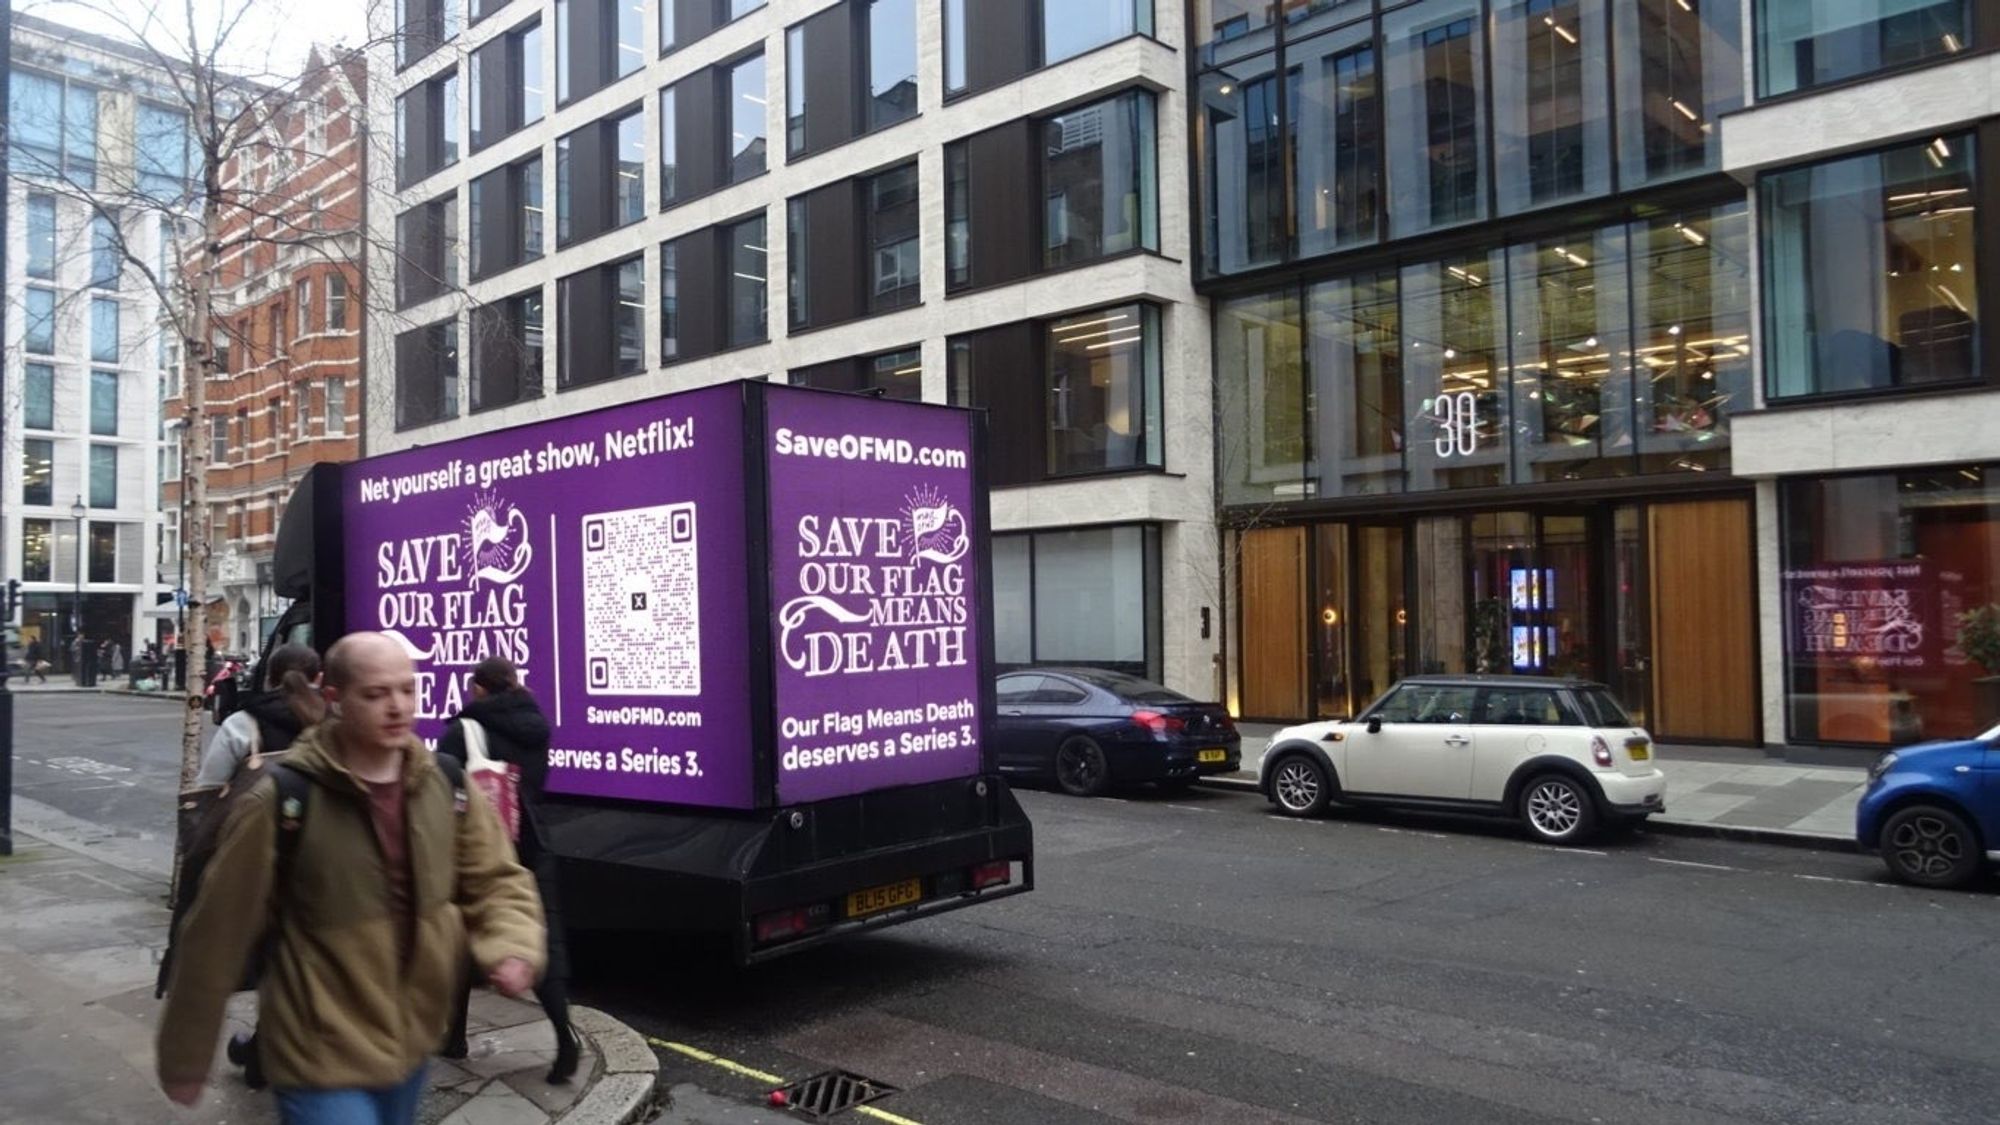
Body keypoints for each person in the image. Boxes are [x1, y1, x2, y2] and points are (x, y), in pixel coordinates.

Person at [156, 631, 546, 1124]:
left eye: (407, 689)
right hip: (316, 1052)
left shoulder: (443, 783)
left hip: (408, 1044)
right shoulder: (284, 799)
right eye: (376, 693)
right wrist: (186, 1053)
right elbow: (217, 931)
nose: (397, 706)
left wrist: (511, 944)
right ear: (335, 699)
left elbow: (495, 877)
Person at [436, 658, 578, 1084]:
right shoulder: (535, 727)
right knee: (544, 939)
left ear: (479, 688)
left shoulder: (464, 731)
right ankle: (563, 1037)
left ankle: (454, 1036)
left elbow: (444, 789)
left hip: (482, 848)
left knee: (465, 935)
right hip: (534, 842)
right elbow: (537, 782)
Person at [194, 644, 327, 787]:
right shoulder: (337, 720)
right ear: (319, 678)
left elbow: (210, 784)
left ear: (268, 680)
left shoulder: (241, 723)